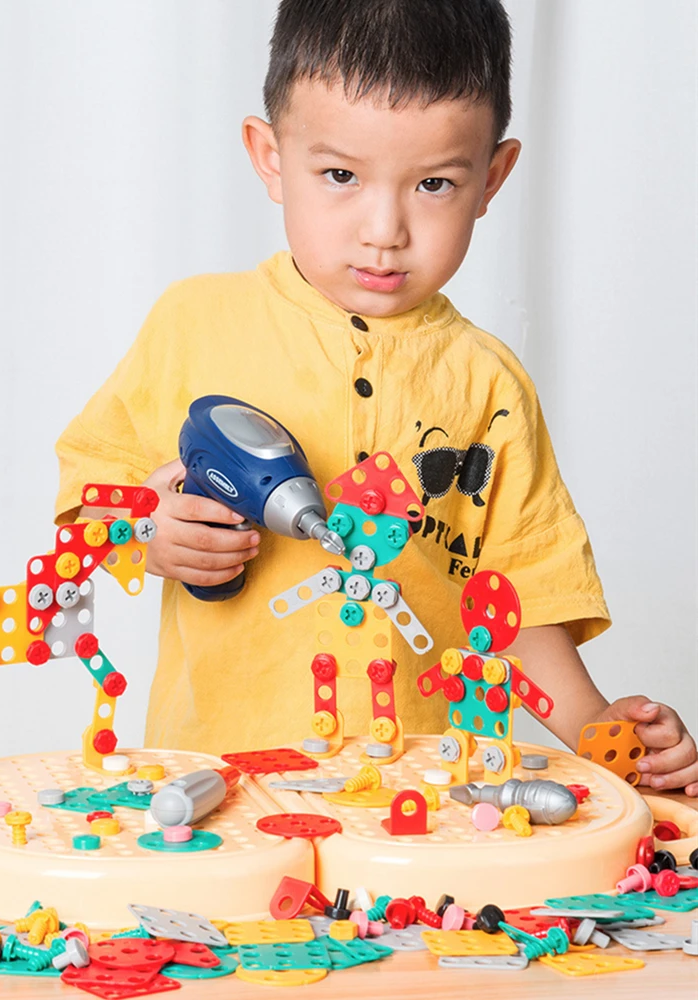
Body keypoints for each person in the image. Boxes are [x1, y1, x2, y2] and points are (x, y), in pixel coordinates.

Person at [55, 0, 697, 793]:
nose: (385, 230)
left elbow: (519, 606)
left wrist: (607, 737)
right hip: (221, 788)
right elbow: (88, 503)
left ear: (492, 178)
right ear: (270, 156)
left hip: (427, 804)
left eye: (434, 183)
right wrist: (146, 532)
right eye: (340, 176)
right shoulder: (195, 324)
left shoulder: (489, 385)